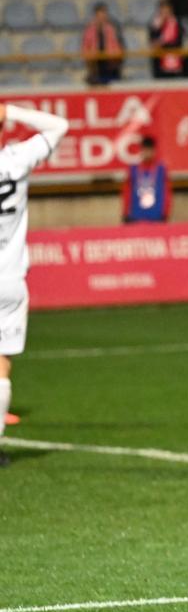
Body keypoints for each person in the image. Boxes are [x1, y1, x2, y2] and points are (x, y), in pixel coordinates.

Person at [0, 103, 69, 465]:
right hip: (9, 280)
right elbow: (60, 126)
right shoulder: (16, 159)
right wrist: (9, 110)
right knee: (1, 366)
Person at [122, 136, 170, 223]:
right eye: (145, 150)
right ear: (141, 151)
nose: (147, 153)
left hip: (156, 217)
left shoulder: (161, 170)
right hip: (136, 217)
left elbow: (166, 192)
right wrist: (125, 213)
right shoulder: (133, 170)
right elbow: (127, 192)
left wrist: (165, 213)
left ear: (154, 151)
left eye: (150, 150)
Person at [81, 2, 124, 85]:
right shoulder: (89, 30)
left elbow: (118, 46)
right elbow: (85, 47)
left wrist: (114, 55)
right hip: (95, 65)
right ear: (96, 16)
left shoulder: (112, 29)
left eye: (104, 14)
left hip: (110, 63)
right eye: (100, 15)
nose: (102, 17)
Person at [148, 0, 183, 79]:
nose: (165, 13)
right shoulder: (154, 24)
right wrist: (159, 27)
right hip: (159, 63)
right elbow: (152, 41)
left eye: (167, 10)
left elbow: (178, 42)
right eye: (163, 10)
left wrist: (162, 43)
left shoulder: (176, 24)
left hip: (174, 61)